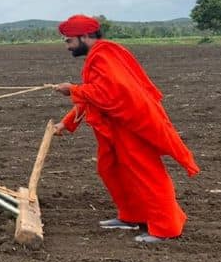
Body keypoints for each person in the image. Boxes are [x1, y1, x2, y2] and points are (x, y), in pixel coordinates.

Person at [52, 14, 200, 243]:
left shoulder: (105, 55)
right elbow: (94, 96)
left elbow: (111, 93)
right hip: (114, 128)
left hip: (131, 125)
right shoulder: (98, 55)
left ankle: (167, 227)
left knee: (147, 173)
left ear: (86, 36)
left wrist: (72, 88)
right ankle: (133, 216)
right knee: (110, 169)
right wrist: (67, 122)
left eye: (69, 40)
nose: (67, 46)